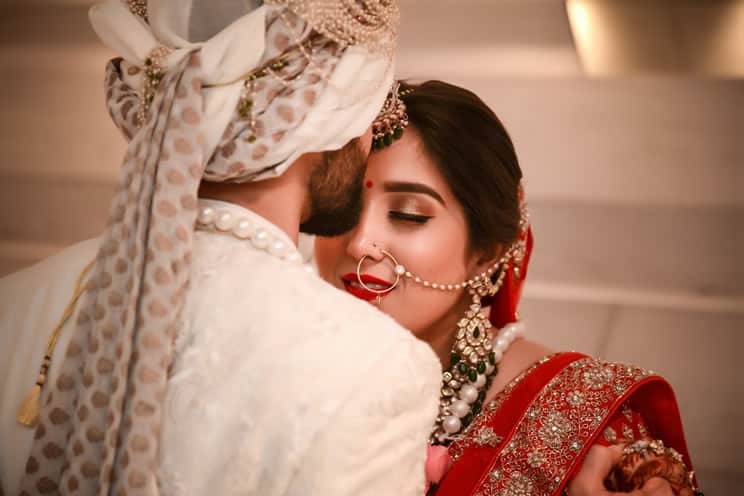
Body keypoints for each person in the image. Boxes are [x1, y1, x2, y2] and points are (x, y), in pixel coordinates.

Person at [0, 2, 442, 495]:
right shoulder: (379, 367)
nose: (369, 135)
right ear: (325, 118)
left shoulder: (13, 302)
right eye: (371, 108)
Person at [314, 80, 703, 496]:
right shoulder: (277, 372)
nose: (358, 242)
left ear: (486, 252)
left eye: (408, 214)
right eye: (342, 208)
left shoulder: (586, 422)